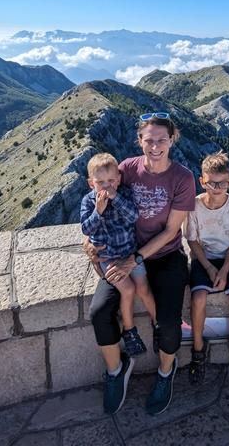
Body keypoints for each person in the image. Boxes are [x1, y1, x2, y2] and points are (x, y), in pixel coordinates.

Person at [84, 112, 195, 416]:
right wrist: (90, 243)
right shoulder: (126, 170)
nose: (155, 146)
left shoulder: (183, 178)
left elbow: (172, 231)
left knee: (170, 322)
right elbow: (101, 202)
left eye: (162, 140)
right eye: (149, 140)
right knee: (99, 312)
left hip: (164, 255)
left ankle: (165, 372)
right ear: (140, 141)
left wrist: (137, 258)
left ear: (172, 140)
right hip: (122, 253)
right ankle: (115, 370)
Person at [80, 152, 156, 358]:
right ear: (91, 183)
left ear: (119, 179)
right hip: (109, 258)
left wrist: (116, 198)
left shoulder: (124, 193)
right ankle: (130, 331)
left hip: (129, 253)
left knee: (143, 288)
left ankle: (158, 323)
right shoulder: (88, 202)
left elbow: (133, 216)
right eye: (100, 182)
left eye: (111, 181)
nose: (106, 186)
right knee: (129, 289)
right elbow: (86, 229)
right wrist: (99, 211)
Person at [184, 151, 229, 385]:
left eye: (222, 183)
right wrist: (210, 268)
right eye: (211, 182)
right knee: (199, 298)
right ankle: (198, 350)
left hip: (228, 259)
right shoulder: (194, 207)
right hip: (203, 258)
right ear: (202, 181)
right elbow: (193, 241)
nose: (217, 187)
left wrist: (223, 270)